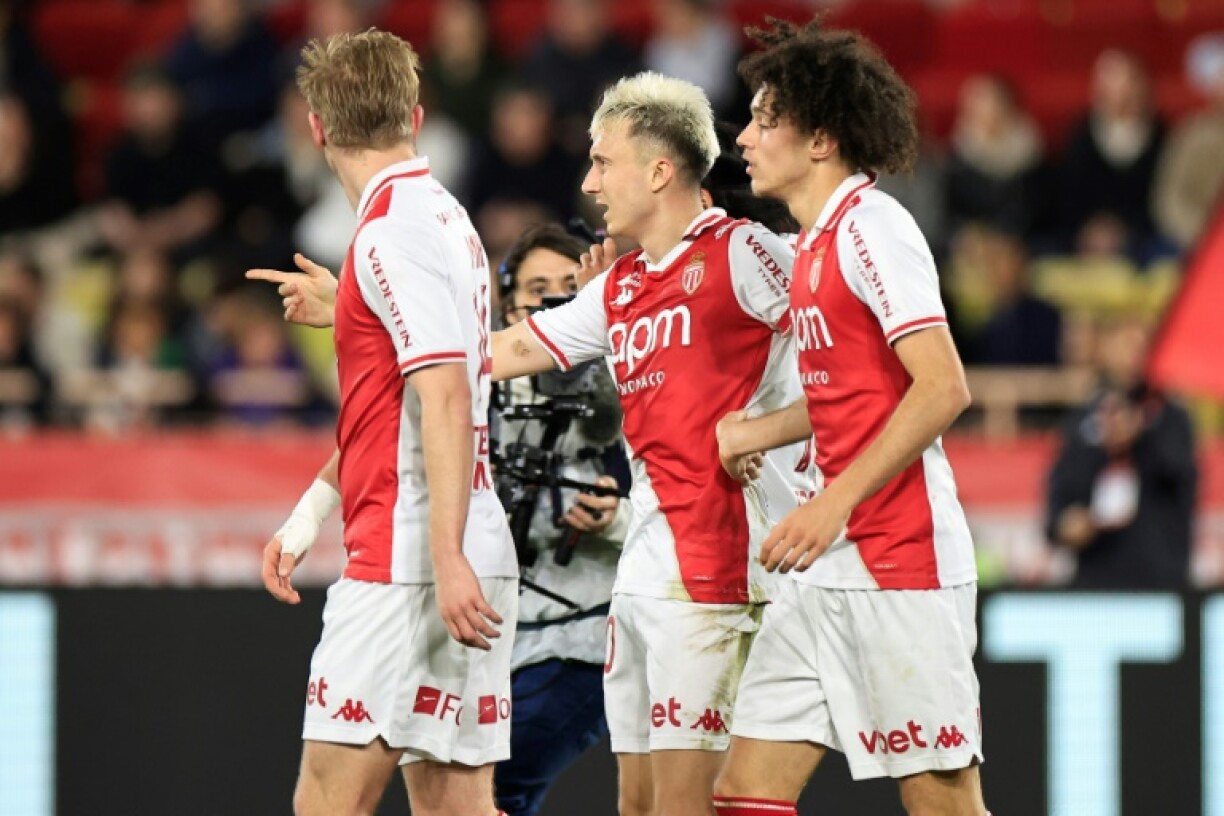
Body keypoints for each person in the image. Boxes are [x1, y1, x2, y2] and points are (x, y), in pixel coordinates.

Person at [490, 72, 809, 816]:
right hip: (639, 580)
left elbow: (853, 355)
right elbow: (500, 353)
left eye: (603, 162)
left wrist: (771, 434)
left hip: (711, 571)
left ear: (660, 170)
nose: (589, 181)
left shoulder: (744, 252)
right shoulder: (622, 284)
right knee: (636, 809)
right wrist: (359, 314)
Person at [710, 18, 988, 816]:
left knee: (942, 802)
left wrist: (834, 502)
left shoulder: (875, 229)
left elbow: (941, 388)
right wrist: (757, 430)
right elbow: (851, 393)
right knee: (744, 794)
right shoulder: (815, 245)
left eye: (767, 121)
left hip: (898, 564)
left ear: (823, 139)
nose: (747, 139)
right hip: (825, 570)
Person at [248, 30, 517, 816]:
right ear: (417, 115)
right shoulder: (445, 215)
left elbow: (443, 395)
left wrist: (446, 558)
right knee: (454, 806)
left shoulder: (390, 231)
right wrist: (305, 523)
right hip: (454, 551)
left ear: (317, 128)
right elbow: (396, 398)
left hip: (413, 565)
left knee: (327, 804)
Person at [491, 222, 628, 816]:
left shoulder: (633, 371)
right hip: (491, 635)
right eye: (536, 288)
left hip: (586, 632)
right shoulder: (476, 386)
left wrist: (617, 517)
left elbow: (692, 496)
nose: (550, 303)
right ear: (506, 302)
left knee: (495, 782)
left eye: (569, 289)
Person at [1046, 317, 1196, 588]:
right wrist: (1066, 525)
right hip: (1098, 584)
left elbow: (1183, 482)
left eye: (1141, 346)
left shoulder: (1171, 418)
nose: (1132, 355)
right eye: (1123, 344)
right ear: (1105, 349)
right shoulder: (1083, 420)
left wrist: (1140, 435)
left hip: (1160, 583)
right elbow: (1059, 500)